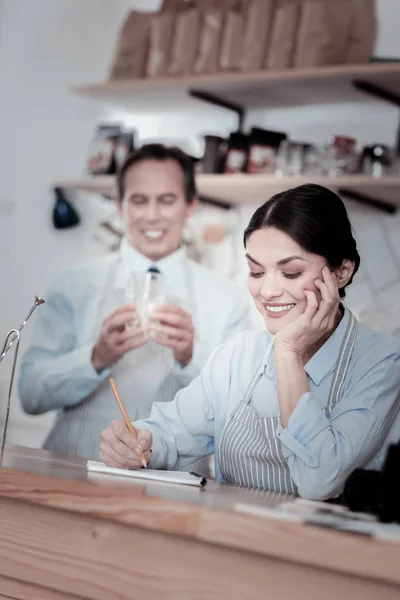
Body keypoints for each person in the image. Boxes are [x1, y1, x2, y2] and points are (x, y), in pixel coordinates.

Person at [99, 184, 400, 501]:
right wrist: (138, 441)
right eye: (256, 271)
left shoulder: (382, 361)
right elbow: (172, 434)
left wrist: (288, 353)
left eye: (290, 272)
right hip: (230, 539)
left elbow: (320, 481)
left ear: (341, 272)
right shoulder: (239, 354)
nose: (267, 290)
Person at [19, 144, 249, 464]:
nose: (152, 215)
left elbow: (238, 411)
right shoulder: (72, 286)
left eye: (166, 200)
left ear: (190, 205)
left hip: (175, 486)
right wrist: (95, 358)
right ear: (119, 205)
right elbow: (30, 396)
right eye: (139, 200)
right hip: (71, 471)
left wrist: (190, 357)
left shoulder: (226, 299)